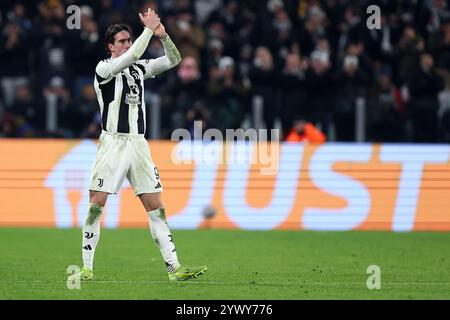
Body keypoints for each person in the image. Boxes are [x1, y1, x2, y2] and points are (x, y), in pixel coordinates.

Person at [68, 8, 207, 282]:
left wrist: (163, 35)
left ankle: (174, 268)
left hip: (139, 145)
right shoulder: (103, 68)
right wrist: (148, 29)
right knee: (96, 205)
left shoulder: (140, 69)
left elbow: (174, 59)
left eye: (128, 40)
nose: (128, 45)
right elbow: (132, 55)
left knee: (157, 208)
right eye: (121, 41)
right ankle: (87, 266)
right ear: (110, 46)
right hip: (113, 145)